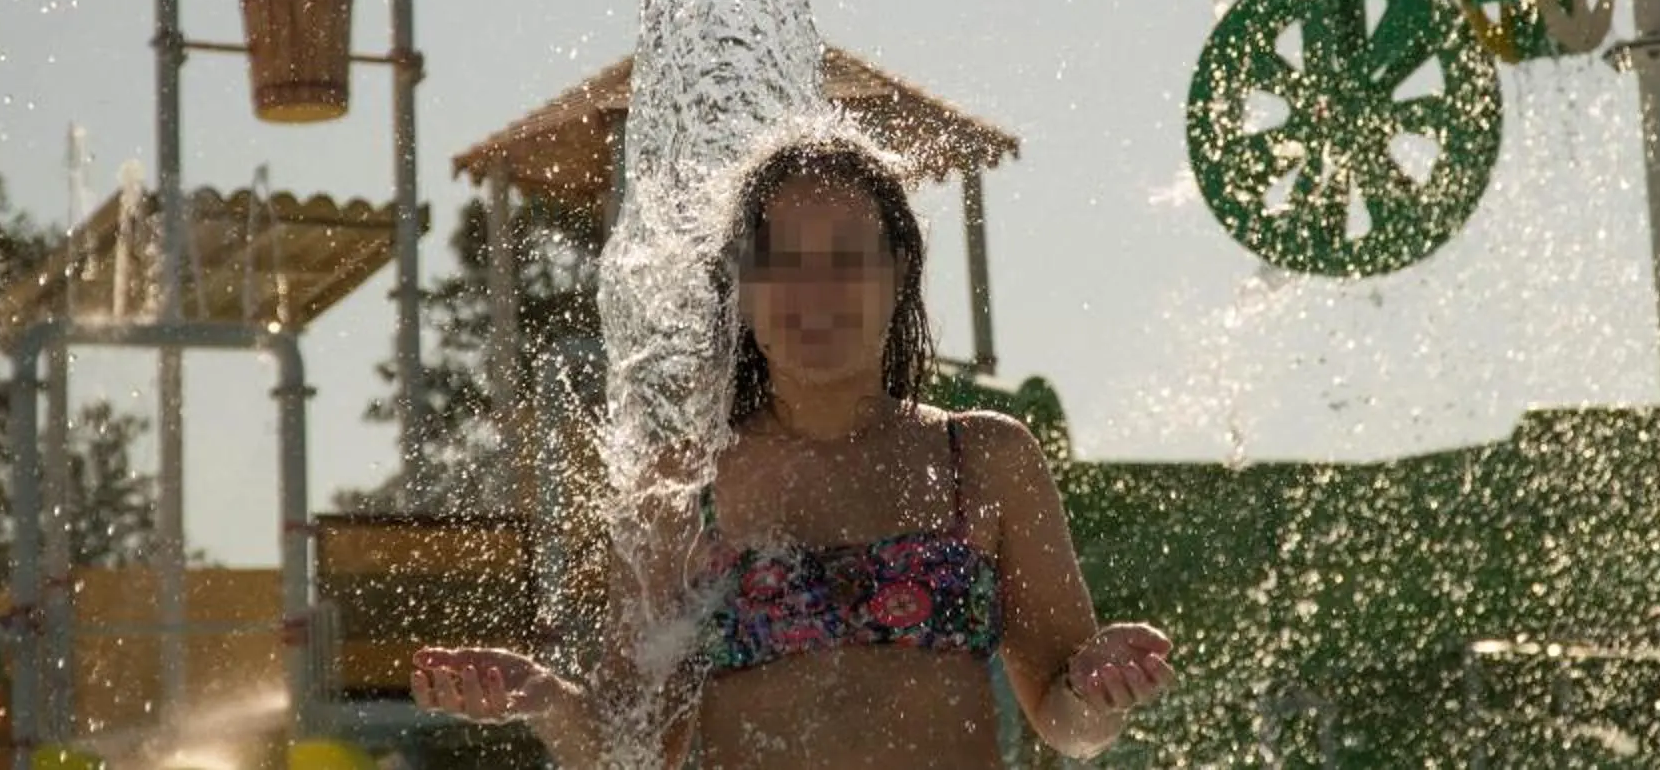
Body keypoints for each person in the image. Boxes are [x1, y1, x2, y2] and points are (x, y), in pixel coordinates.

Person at [413, 133, 1175, 767]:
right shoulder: (680, 489)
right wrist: (545, 700)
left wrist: (1098, 685)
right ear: (743, 287)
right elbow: (635, 750)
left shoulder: (984, 459)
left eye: (847, 257)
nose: (817, 290)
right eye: (784, 260)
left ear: (898, 271)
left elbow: (1069, 724)